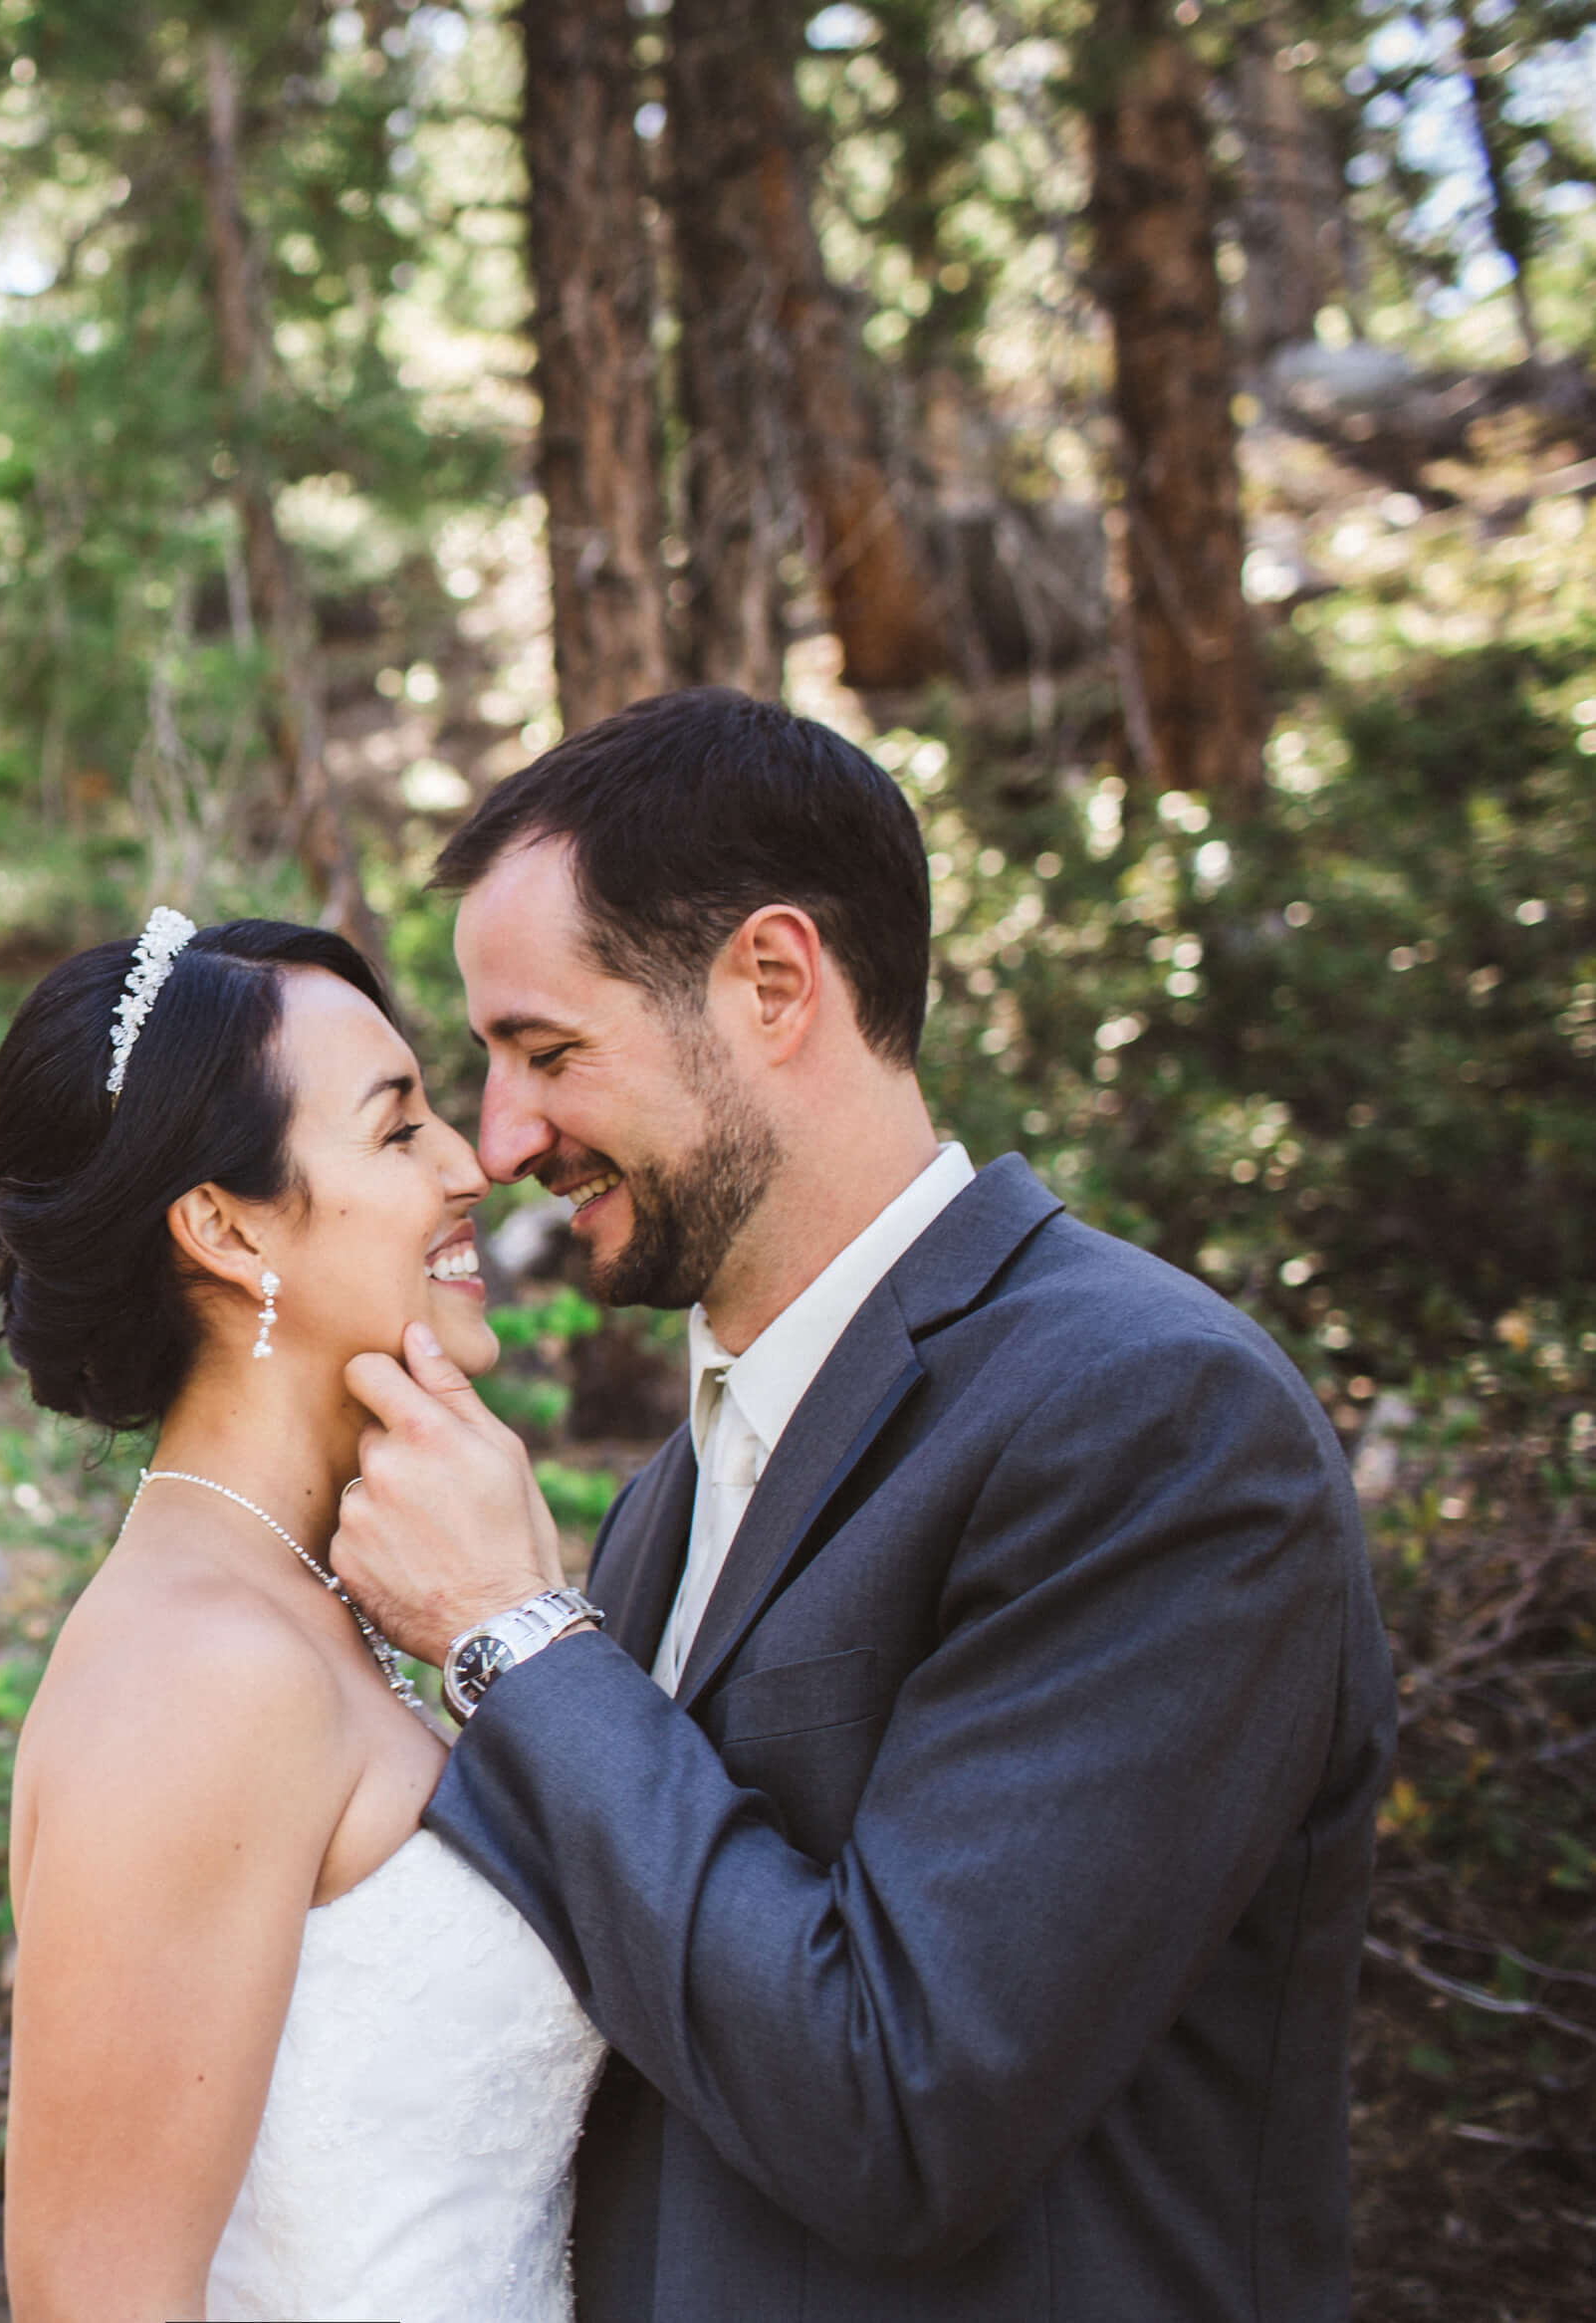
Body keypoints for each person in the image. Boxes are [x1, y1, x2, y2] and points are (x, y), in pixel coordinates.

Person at [330, 687, 1398, 2322]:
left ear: (772, 982)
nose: (505, 1136)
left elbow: (904, 2106)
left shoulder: (1154, 1418)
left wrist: (507, 1632)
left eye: (549, 1050)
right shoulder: (672, 1492)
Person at [0, 911, 603, 2323]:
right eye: (398, 1130)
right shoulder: (200, 1672)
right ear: (226, 1226)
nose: (474, 1164)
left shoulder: (327, 1605)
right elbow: (93, 2298)